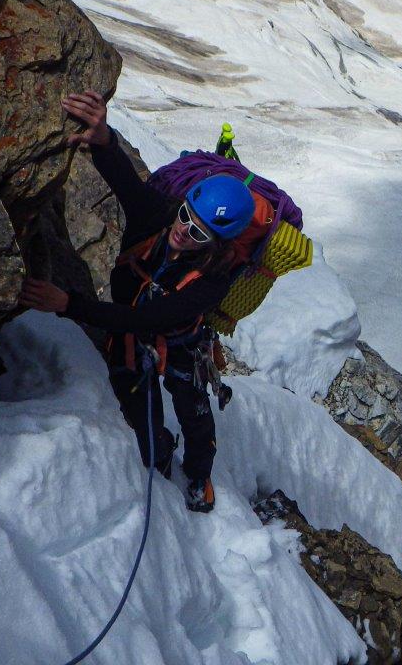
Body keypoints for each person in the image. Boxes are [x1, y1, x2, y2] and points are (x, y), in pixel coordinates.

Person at [19, 91, 271, 513]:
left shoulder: (212, 281)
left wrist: (68, 304)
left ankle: (198, 474)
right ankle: (157, 454)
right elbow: (127, 186)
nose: (183, 230)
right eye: (186, 216)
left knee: (194, 415)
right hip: (131, 336)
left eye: (198, 232)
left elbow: (148, 317)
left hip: (178, 341)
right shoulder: (161, 217)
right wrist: (104, 138)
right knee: (141, 408)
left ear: (217, 244)